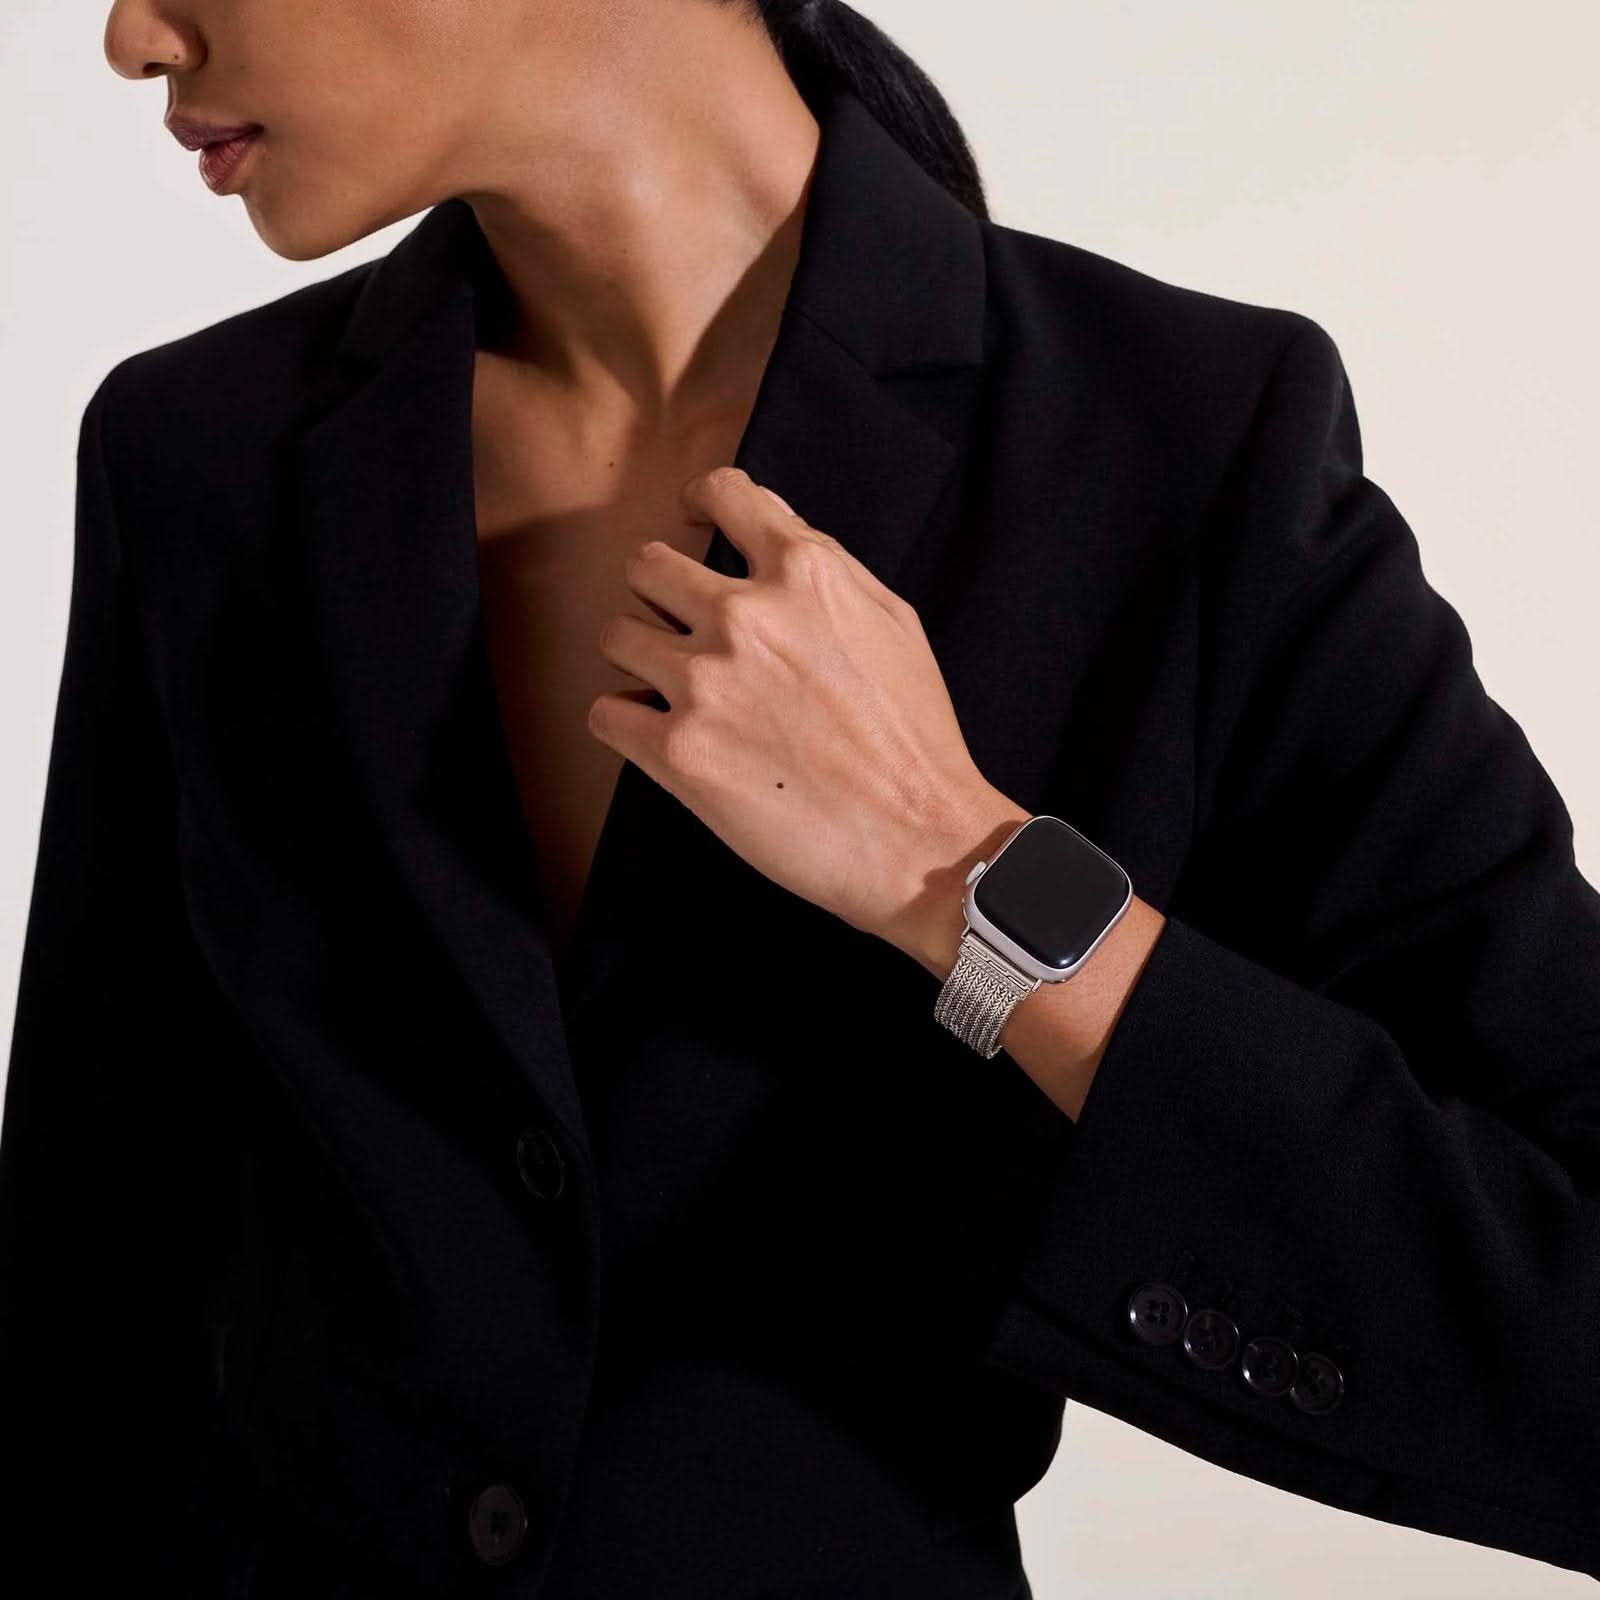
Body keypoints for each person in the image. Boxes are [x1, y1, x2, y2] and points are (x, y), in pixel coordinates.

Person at [3, 1, 1597, 1595]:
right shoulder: (199, 456)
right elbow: (87, 1303)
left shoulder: (1183, 447)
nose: (133, 36)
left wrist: (961, 873)